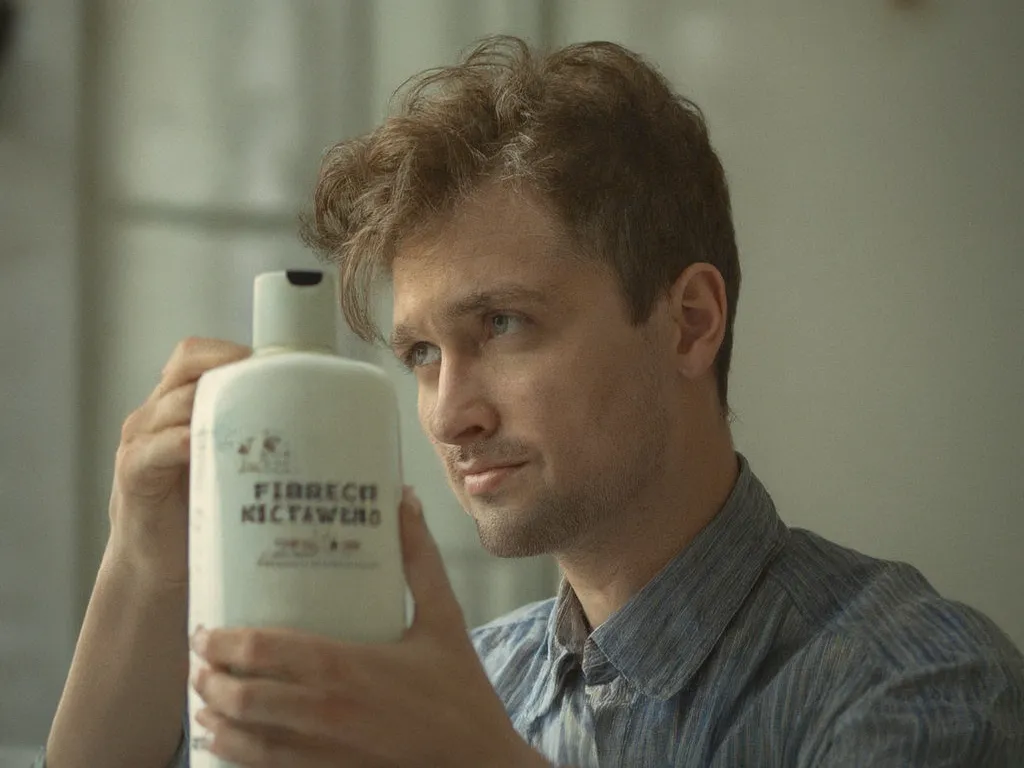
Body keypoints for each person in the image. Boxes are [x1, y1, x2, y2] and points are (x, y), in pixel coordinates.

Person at [39, 36, 1023, 768]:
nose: (448, 412)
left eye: (502, 325)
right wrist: (143, 558)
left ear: (687, 322)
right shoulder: (473, 684)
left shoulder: (916, 684)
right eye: (422, 353)